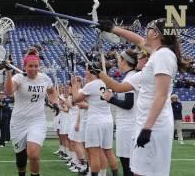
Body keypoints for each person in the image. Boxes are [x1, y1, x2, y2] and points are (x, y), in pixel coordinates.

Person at [96, 18, 189, 175]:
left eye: (149, 27)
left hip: (154, 126)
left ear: (156, 34)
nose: (146, 30)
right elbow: (139, 40)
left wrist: (147, 128)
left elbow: (161, 95)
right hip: (147, 124)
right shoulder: (157, 54)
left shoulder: (163, 55)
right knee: (140, 172)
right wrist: (113, 28)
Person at [4, 48, 59, 176]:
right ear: (24, 66)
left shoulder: (44, 78)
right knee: (21, 158)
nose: (34, 69)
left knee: (33, 154)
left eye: (36, 66)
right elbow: (9, 92)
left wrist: (55, 102)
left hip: (37, 121)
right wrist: (8, 73)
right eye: (30, 66)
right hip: (18, 122)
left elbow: (51, 92)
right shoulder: (18, 78)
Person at [71, 64, 118, 176]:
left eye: (87, 71)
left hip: (95, 121)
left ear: (92, 72)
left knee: (94, 153)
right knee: (108, 151)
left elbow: (76, 99)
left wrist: (74, 86)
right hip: (108, 120)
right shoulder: (108, 83)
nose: (85, 73)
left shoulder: (90, 85)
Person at [103, 48, 138, 176]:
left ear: (124, 61)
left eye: (119, 60)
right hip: (128, 125)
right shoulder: (130, 77)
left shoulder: (130, 78)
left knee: (128, 165)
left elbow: (129, 104)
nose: (118, 63)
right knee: (128, 165)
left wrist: (111, 99)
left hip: (128, 126)